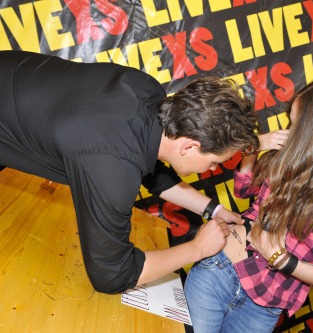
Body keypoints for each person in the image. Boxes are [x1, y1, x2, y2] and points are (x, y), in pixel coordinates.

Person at [0, 50, 259, 293]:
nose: (212, 169)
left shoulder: (146, 91)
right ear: (190, 145)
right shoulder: (112, 165)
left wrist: (213, 209)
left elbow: (152, 170)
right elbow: (111, 275)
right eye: (215, 162)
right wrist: (197, 249)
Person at [184, 78, 313, 332]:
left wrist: (283, 261)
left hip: (264, 308)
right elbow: (243, 188)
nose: (290, 130)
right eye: (290, 121)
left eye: (298, 123)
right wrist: (253, 148)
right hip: (221, 269)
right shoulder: (289, 153)